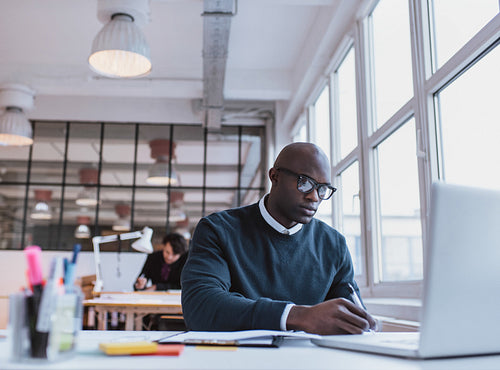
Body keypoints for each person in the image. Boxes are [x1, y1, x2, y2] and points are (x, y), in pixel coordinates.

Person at [181, 142, 377, 335]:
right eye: (305, 182)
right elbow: (200, 306)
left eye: (322, 188)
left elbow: (352, 316)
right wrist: (298, 316)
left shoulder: (334, 245)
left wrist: (363, 324)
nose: (314, 197)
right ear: (274, 177)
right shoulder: (218, 229)